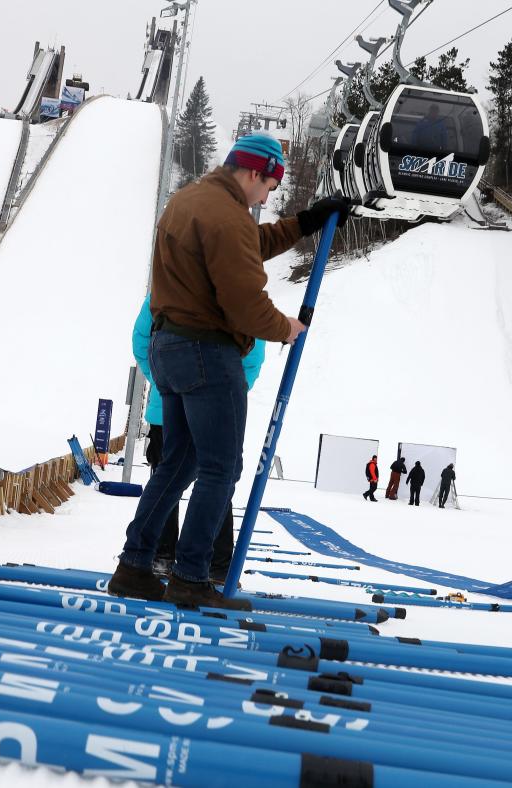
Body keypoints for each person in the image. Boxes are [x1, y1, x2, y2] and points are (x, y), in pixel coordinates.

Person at [109, 132, 350, 609]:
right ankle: (191, 576)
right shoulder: (226, 215)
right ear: (256, 173)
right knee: (222, 469)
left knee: (177, 464)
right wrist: (286, 328)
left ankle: (135, 565)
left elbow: (247, 245)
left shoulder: (193, 200)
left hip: (169, 348)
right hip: (207, 353)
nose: (267, 197)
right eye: (269, 187)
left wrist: (303, 223)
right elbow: (243, 301)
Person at [132, 293, 265, 582]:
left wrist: (167, 380)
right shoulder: (234, 280)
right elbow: (143, 339)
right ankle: (186, 561)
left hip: (182, 401)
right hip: (199, 403)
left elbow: (144, 341)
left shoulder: (170, 280)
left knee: (188, 477)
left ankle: (192, 561)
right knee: (215, 477)